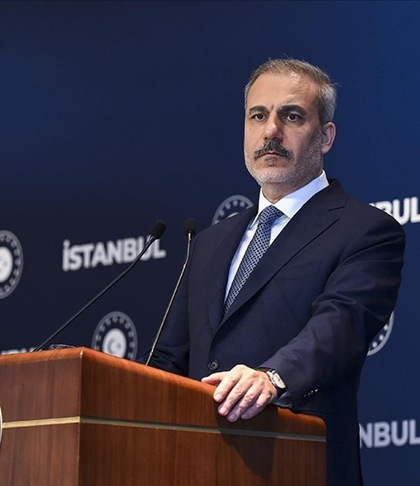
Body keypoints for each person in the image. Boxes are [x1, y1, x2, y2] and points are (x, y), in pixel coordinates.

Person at [146, 58, 405, 486]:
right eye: (258, 116)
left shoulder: (366, 230)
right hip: (195, 466)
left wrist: (272, 376)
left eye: (292, 116)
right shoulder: (209, 243)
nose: (271, 131)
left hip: (295, 462)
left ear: (325, 136)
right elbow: (168, 360)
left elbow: (340, 324)